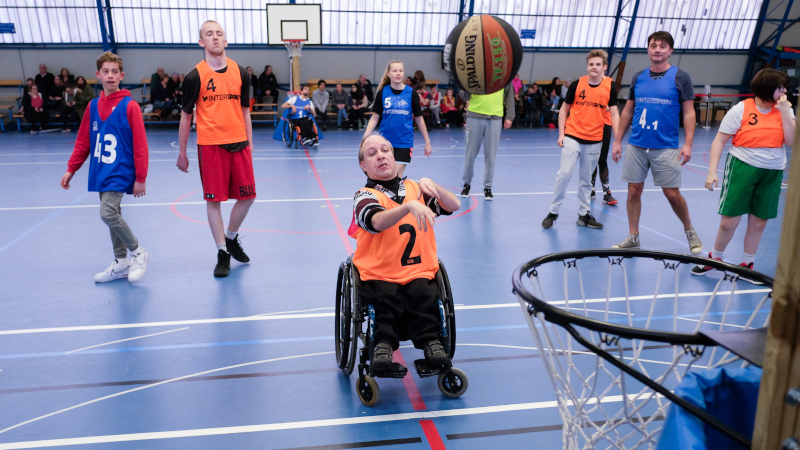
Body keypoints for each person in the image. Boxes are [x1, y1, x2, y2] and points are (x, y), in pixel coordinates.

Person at [349, 134, 461, 371]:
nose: (380, 155)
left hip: (417, 269)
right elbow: (376, 221)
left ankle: (431, 342)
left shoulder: (415, 188)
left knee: (423, 294)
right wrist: (408, 206)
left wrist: (434, 186)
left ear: (393, 155)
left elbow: (454, 205)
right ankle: (382, 345)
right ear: (363, 165)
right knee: (386, 300)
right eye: (372, 153)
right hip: (379, 272)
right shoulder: (365, 195)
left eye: (385, 150)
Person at [691, 68, 795, 283]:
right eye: (780, 87)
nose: (785, 91)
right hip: (742, 168)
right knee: (729, 223)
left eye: (785, 87)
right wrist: (712, 171)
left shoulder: (785, 110)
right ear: (767, 87)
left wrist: (786, 112)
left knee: (759, 223)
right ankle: (715, 258)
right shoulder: (741, 109)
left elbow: (792, 141)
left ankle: (747, 265)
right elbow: (719, 140)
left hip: (773, 172)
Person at [60, 51, 149, 283]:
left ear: (122, 76)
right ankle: (121, 263)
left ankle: (138, 252)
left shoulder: (130, 106)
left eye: (115, 72)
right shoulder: (92, 106)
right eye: (106, 72)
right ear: (98, 74)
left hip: (120, 171)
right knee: (114, 215)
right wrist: (72, 169)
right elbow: (83, 141)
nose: (110, 76)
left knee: (107, 212)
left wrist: (141, 177)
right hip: (100, 171)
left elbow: (140, 145)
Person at [611, 31, 702, 254]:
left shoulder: (681, 77)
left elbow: (689, 113)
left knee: (671, 193)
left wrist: (688, 144)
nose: (657, 49)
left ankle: (690, 230)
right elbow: (628, 111)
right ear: (648, 50)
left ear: (670, 50)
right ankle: (633, 237)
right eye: (653, 45)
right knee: (633, 191)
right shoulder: (638, 77)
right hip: (637, 145)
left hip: (666, 146)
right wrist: (617, 141)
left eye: (663, 46)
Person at [176, 20, 256, 278]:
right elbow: (186, 116)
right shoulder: (194, 76)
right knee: (215, 200)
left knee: (248, 195)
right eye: (209, 34)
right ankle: (222, 252)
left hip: (239, 142)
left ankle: (231, 237)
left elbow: (246, 111)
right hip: (210, 145)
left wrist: (250, 143)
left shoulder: (241, 72)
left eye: (219, 33)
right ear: (202, 42)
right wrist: (182, 152)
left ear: (226, 40)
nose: (215, 37)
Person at [542, 49, 619, 230]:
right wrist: (561, 134)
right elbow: (564, 110)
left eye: (598, 64)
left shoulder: (609, 87)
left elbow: (614, 113)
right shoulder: (577, 85)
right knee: (565, 173)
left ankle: (584, 215)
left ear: (604, 67)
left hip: (594, 139)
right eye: (591, 64)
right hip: (573, 135)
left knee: (586, 180)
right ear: (587, 66)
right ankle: (553, 213)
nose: (594, 67)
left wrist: (617, 140)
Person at [363, 60, 432, 178]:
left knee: (394, 177)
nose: (398, 73)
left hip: (404, 143)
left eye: (401, 70)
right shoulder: (383, 93)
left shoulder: (411, 93)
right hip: (385, 144)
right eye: (395, 71)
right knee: (386, 178)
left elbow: (419, 119)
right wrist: (366, 135)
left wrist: (427, 142)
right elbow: (375, 117)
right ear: (389, 73)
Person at [459, 81, 515, 200]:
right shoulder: (475, 72)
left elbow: (509, 95)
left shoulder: (503, 74)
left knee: (490, 156)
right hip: (474, 116)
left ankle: (488, 187)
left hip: (495, 118)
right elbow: (463, 95)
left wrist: (510, 116)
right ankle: (466, 184)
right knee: (470, 154)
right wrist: (468, 84)